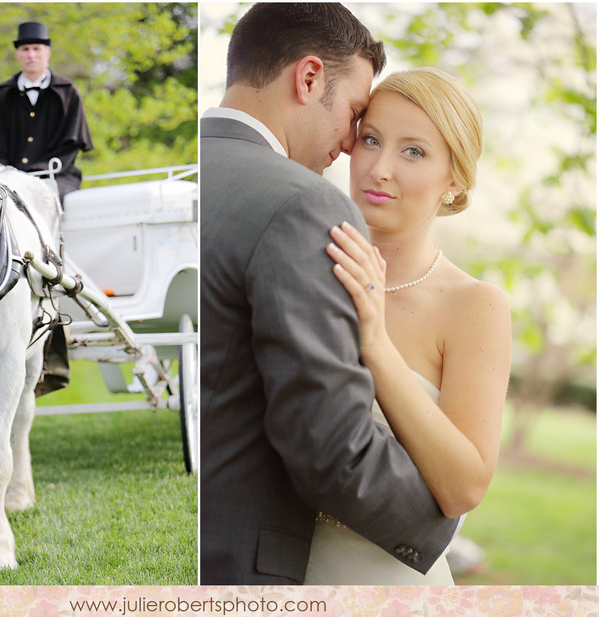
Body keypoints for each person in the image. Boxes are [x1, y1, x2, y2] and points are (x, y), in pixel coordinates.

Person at [200, 3, 460, 585]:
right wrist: (438, 533)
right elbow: (326, 445)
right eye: (356, 118)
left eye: (412, 150)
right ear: (309, 77)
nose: (350, 147)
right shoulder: (299, 202)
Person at [303, 66, 512, 584]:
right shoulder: (302, 268)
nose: (378, 168)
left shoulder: (474, 306)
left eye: (413, 151)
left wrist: (374, 341)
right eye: (370, 140)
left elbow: (464, 487)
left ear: (454, 177)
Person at [0, 21, 93, 201]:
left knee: (47, 204)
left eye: (36, 49)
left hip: (58, 176)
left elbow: (69, 147)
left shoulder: (67, 93)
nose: (31, 55)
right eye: (25, 49)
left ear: (47, 52)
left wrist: (35, 174)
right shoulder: (2, 95)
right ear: (17, 54)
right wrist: (9, 174)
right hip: (8, 177)